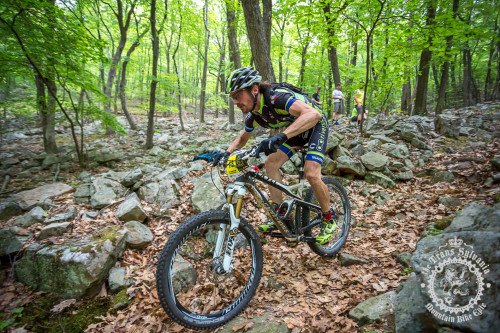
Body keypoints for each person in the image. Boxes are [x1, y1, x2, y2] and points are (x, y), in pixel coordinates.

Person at [220, 67, 336, 245]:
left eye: (237, 95)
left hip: (315, 124)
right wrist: (225, 154)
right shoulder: (253, 114)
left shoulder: (276, 97)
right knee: (270, 164)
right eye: (232, 97)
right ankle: (279, 213)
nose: (235, 102)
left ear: (254, 89)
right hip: (297, 129)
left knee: (311, 173)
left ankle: (329, 219)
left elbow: (314, 114)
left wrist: (281, 136)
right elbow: (242, 138)